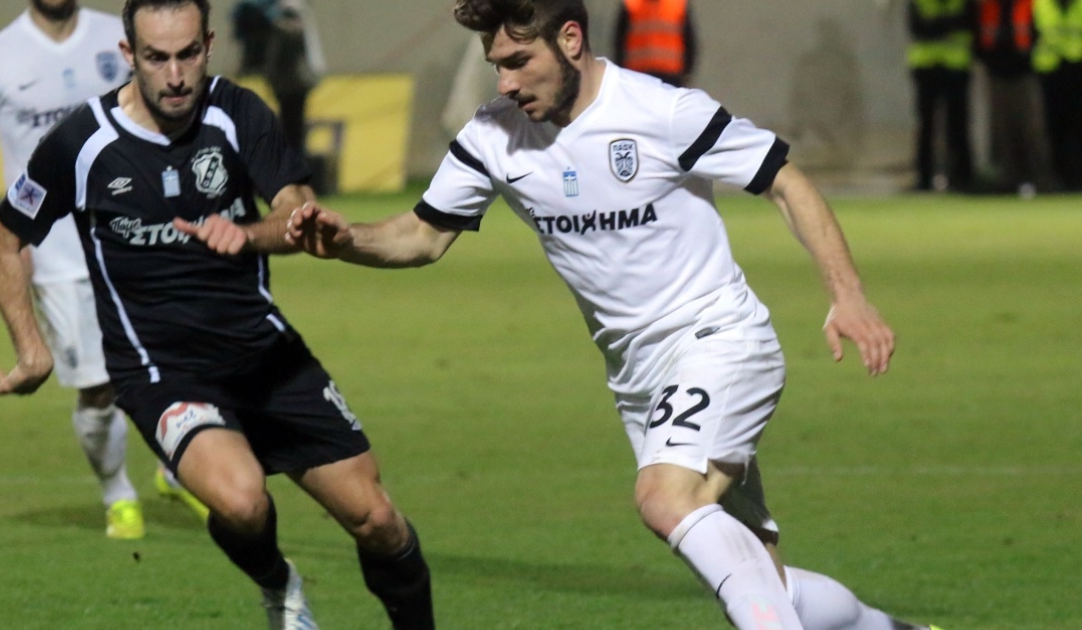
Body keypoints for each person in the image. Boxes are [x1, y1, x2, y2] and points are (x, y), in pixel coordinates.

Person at [286, 1, 941, 629]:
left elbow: (785, 181)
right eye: (496, 66)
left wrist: (848, 295)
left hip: (718, 341)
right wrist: (347, 240)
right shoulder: (494, 135)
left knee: (665, 499)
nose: (506, 83)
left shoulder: (661, 111)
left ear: (570, 40)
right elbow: (422, 235)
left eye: (518, 61)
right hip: (639, 381)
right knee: (765, 582)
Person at [0, 1, 434, 628]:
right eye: (157, 57)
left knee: (377, 519)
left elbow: (297, 213)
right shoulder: (83, 143)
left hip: (263, 352)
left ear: (209, 45)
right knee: (243, 502)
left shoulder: (238, 113)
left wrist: (250, 234)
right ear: (128, 55)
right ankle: (279, 585)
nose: (175, 75)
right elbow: (3, 238)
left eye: (187, 54)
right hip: (161, 370)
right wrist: (32, 351)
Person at [0, 0, 205, 540]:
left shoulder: (124, 38)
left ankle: (178, 470)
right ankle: (118, 493)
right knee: (98, 387)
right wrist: (9, 230)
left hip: (145, 238)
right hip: (59, 257)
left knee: (183, 366)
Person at [976, 0, 1055, 194]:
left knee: (1031, 129)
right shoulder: (988, 7)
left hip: (1024, 73)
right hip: (997, 74)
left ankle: (1041, 178)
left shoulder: (1028, 5)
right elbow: (978, 38)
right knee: (1003, 130)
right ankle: (1009, 179)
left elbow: (1038, 34)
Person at [231, 0, 326, 157]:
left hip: (294, 81)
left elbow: (295, 32)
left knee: (293, 127)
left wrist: (274, 22)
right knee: (288, 126)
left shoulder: (289, 9)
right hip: (285, 81)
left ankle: (293, 160)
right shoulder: (279, 10)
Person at [907, 0, 976, 191]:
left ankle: (961, 177)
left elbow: (969, 23)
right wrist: (950, 23)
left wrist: (936, 24)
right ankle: (925, 178)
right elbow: (918, 27)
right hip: (928, 66)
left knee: (957, 125)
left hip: (954, 66)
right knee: (927, 126)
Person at [1032, 0, 1082, 191]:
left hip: (1076, 69)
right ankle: (1058, 176)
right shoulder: (1041, 4)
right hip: (1050, 70)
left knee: (1076, 126)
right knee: (1054, 127)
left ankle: (1076, 176)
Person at [613, 0, 697, 88]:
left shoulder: (677, 4)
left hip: (670, 76)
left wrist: (686, 73)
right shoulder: (631, 4)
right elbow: (620, 41)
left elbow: (689, 41)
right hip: (638, 75)